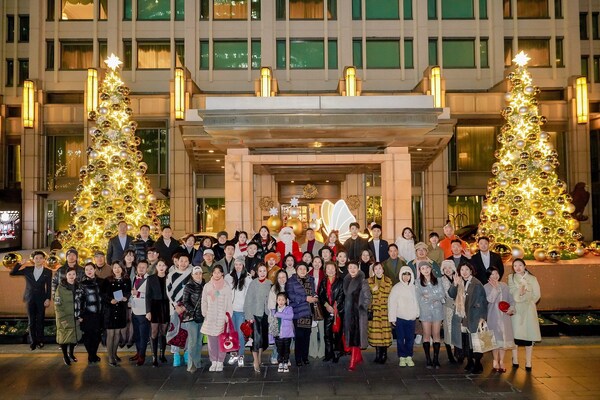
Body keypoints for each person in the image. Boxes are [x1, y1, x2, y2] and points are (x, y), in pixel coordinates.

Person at [448, 262, 488, 374]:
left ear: (471, 271)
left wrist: (482, 317)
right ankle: (469, 361)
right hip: (462, 316)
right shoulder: (459, 281)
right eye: (462, 270)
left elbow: (483, 301)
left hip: (474, 315)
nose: (464, 272)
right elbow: (451, 294)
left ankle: (478, 363)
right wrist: (454, 284)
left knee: (476, 341)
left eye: (466, 270)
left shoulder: (476, 283)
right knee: (466, 341)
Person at [10, 250, 52, 350]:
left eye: (41, 258)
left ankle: (40, 341)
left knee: (40, 320)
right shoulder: (28, 269)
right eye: (36, 258)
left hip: (42, 299)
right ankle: (33, 342)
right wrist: (20, 264)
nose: (38, 260)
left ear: (44, 260)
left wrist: (48, 298)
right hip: (30, 298)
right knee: (31, 321)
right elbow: (13, 273)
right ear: (33, 260)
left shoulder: (48, 271)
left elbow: (49, 287)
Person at [508, 258, 541, 372]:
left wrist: (528, 300)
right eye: (515, 265)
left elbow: (537, 294)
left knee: (529, 336)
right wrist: (520, 293)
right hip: (516, 309)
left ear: (524, 266)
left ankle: (528, 361)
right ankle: (515, 359)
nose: (517, 268)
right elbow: (512, 292)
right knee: (515, 336)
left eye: (520, 265)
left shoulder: (532, 278)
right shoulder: (511, 277)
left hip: (528, 309)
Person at [201, 265, 233, 372]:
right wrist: (205, 313)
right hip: (210, 318)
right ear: (212, 274)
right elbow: (204, 301)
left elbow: (229, 303)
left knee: (222, 340)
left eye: (219, 272)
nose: (217, 274)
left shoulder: (226, 287)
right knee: (211, 341)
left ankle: (220, 362)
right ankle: (213, 361)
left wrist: (227, 316)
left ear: (222, 273)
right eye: (215, 272)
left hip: (222, 318)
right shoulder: (207, 286)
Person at [484, 266, 515, 373]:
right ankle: (495, 360)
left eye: (496, 273)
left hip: (505, 317)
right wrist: (495, 289)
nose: (495, 276)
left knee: (503, 340)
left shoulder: (504, 286)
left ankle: (502, 361)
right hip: (492, 317)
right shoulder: (486, 287)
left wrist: (511, 309)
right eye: (492, 274)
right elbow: (489, 300)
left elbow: (511, 300)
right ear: (488, 276)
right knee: (495, 340)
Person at [415, 261, 445, 369]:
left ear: (430, 268)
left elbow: (442, 294)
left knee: (436, 334)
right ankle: (428, 359)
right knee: (426, 334)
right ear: (420, 271)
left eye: (427, 267)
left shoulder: (438, 280)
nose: (425, 270)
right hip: (425, 311)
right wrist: (434, 297)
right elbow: (419, 298)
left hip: (437, 310)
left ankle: (436, 359)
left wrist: (429, 296)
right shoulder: (418, 282)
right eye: (422, 268)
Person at [343, 261, 372, 371]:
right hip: (348, 313)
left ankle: (353, 361)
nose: (352, 269)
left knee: (355, 338)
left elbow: (368, 297)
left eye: (354, 267)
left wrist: (362, 308)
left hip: (358, 314)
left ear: (358, 268)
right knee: (352, 336)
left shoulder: (362, 281)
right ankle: (358, 357)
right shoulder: (346, 280)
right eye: (350, 267)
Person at [388, 266, 419, 367]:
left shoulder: (414, 288)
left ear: (411, 275)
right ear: (401, 275)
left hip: (411, 318)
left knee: (410, 338)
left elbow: (417, 302)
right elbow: (392, 303)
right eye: (404, 274)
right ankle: (402, 356)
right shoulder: (396, 287)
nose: (406, 277)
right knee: (400, 339)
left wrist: (417, 313)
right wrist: (392, 317)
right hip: (400, 318)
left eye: (408, 274)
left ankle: (409, 356)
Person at [101, 261, 131, 367]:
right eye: (114, 268)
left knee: (118, 333)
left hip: (121, 309)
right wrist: (110, 300)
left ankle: (114, 354)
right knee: (111, 334)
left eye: (119, 267)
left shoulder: (126, 280)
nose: (117, 269)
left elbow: (128, 292)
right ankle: (110, 357)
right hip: (110, 310)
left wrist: (125, 297)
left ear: (122, 268)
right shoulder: (107, 280)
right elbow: (103, 294)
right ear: (112, 269)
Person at [224, 256, 252, 368]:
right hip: (231, 310)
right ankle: (234, 353)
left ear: (243, 265)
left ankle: (241, 355)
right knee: (232, 333)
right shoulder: (228, 277)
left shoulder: (248, 278)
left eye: (240, 264)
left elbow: (249, 297)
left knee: (240, 334)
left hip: (241, 310)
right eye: (236, 264)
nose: (238, 266)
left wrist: (248, 311)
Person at [244, 264, 272, 372]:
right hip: (255, 314)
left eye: (264, 270)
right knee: (255, 339)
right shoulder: (253, 283)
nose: (262, 273)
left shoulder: (269, 283)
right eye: (260, 271)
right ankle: (255, 360)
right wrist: (249, 316)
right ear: (257, 272)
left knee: (263, 339)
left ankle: (260, 357)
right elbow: (248, 300)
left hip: (265, 314)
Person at [286, 263, 315, 367]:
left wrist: (314, 298)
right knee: (299, 337)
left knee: (307, 336)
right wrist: (305, 299)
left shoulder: (311, 279)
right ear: (296, 270)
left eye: (304, 269)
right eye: (300, 269)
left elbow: (313, 293)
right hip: (297, 311)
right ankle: (298, 358)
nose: (302, 270)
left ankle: (305, 357)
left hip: (308, 311)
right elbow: (290, 295)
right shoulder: (291, 281)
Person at [166, 253, 192, 367]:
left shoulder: (191, 274)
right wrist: (176, 305)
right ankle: (176, 355)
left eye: (186, 261)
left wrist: (186, 306)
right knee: (174, 330)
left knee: (187, 331)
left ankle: (187, 353)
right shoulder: (171, 275)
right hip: (175, 308)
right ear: (177, 261)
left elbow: (193, 291)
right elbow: (169, 291)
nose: (183, 263)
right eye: (181, 261)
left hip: (188, 308)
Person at [145, 258, 170, 367]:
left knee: (163, 331)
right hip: (154, 306)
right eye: (159, 265)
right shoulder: (150, 278)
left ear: (166, 267)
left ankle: (162, 354)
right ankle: (154, 356)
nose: (161, 267)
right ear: (156, 267)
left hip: (166, 306)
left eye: (163, 265)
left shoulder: (169, 278)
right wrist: (148, 311)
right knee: (154, 331)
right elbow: (147, 296)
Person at [54, 268, 82, 366]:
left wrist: (80, 315)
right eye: (69, 274)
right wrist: (62, 318)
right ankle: (65, 356)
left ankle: (71, 354)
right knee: (64, 338)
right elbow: (57, 304)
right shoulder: (60, 288)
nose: (71, 276)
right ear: (66, 276)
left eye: (73, 274)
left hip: (75, 316)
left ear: (76, 275)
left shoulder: (78, 286)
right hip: (64, 317)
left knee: (73, 337)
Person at [318, 261, 345, 363]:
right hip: (327, 311)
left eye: (332, 268)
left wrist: (334, 307)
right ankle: (328, 354)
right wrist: (326, 306)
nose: (330, 270)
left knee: (337, 334)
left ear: (336, 269)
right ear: (325, 270)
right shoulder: (323, 281)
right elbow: (321, 295)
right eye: (328, 268)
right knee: (327, 334)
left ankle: (337, 353)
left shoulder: (340, 281)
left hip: (338, 312)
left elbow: (341, 295)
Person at [367, 262, 392, 364]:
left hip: (385, 310)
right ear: (373, 271)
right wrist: (372, 291)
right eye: (376, 269)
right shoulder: (368, 281)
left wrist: (376, 291)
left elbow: (390, 296)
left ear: (383, 270)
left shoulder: (388, 281)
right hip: (375, 311)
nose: (378, 270)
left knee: (385, 334)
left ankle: (384, 354)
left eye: (380, 268)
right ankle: (378, 355)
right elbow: (366, 297)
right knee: (376, 334)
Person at [79, 262, 103, 364]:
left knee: (97, 335)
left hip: (99, 313)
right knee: (88, 335)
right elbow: (79, 300)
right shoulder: (82, 284)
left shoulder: (102, 282)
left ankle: (94, 354)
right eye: (86, 269)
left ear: (95, 270)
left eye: (91, 269)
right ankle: (91, 355)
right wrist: (79, 314)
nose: (89, 271)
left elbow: (107, 294)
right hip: (87, 314)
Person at [182, 266, 204, 373]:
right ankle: (191, 365)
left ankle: (197, 361)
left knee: (199, 341)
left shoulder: (205, 285)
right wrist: (193, 312)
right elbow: (185, 301)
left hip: (202, 317)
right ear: (192, 275)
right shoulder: (188, 286)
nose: (198, 275)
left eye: (200, 273)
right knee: (192, 341)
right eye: (196, 273)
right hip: (192, 318)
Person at [440, 260, 461, 364]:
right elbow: (447, 294)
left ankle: (458, 352)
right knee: (448, 329)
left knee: (458, 329)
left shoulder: (459, 278)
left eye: (449, 268)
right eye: (445, 268)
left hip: (459, 307)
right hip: (448, 306)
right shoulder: (441, 280)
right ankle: (450, 354)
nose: (448, 270)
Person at [130, 259, 150, 366]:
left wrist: (138, 293)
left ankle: (142, 356)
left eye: (143, 267)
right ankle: (138, 352)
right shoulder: (134, 278)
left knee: (143, 335)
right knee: (137, 334)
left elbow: (150, 295)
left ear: (147, 268)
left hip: (144, 311)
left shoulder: (149, 279)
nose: (141, 269)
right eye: (139, 267)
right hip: (134, 310)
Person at [267, 269, 288, 365]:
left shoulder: (289, 287)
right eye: (279, 277)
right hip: (277, 318)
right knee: (278, 339)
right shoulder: (274, 288)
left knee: (287, 339)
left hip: (288, 318)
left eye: (284, 277)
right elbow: (271, 305)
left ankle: (285, 358)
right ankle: (275, 355)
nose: (282, 279)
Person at [309, 256, 326, 359]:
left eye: (319, 262)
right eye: (315, 261)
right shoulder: (307, 275)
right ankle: (313, 349)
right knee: (313, 329)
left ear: (321, 264)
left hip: (321, 305)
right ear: (312, 263)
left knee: (322, 328)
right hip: (310, 305)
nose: (317, 263)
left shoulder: (324, 275)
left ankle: (322, 349)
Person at [273, 292, 294, 373]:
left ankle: (285, 362)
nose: (281, 301)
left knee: (286, 350)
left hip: (287, 334)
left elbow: (290, 317)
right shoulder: (274, 310)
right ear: (276, 300)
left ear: (286, 301)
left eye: (283, 300)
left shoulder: (289, 308)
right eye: (279, 300)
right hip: (278, 334)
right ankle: (280, 363)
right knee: (279, 350)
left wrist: (279, 314)